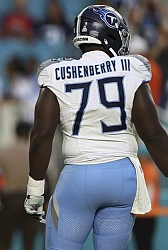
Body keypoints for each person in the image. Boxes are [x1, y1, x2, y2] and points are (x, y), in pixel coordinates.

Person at [24, 5, 168, 250]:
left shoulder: (57, 72)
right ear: (110, 34)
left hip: (79, 176)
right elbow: (153, 133)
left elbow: (41, 135)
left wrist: (35, 189)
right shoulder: (131, 68)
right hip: (123, 176)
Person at [0, 121, 40, 250]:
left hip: (9, 199)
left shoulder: (4, 151)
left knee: (3, 240)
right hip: (31, 199)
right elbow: (45, 176)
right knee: (29, 241)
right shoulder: (35, 152)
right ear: (29, 132)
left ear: (16, 132)